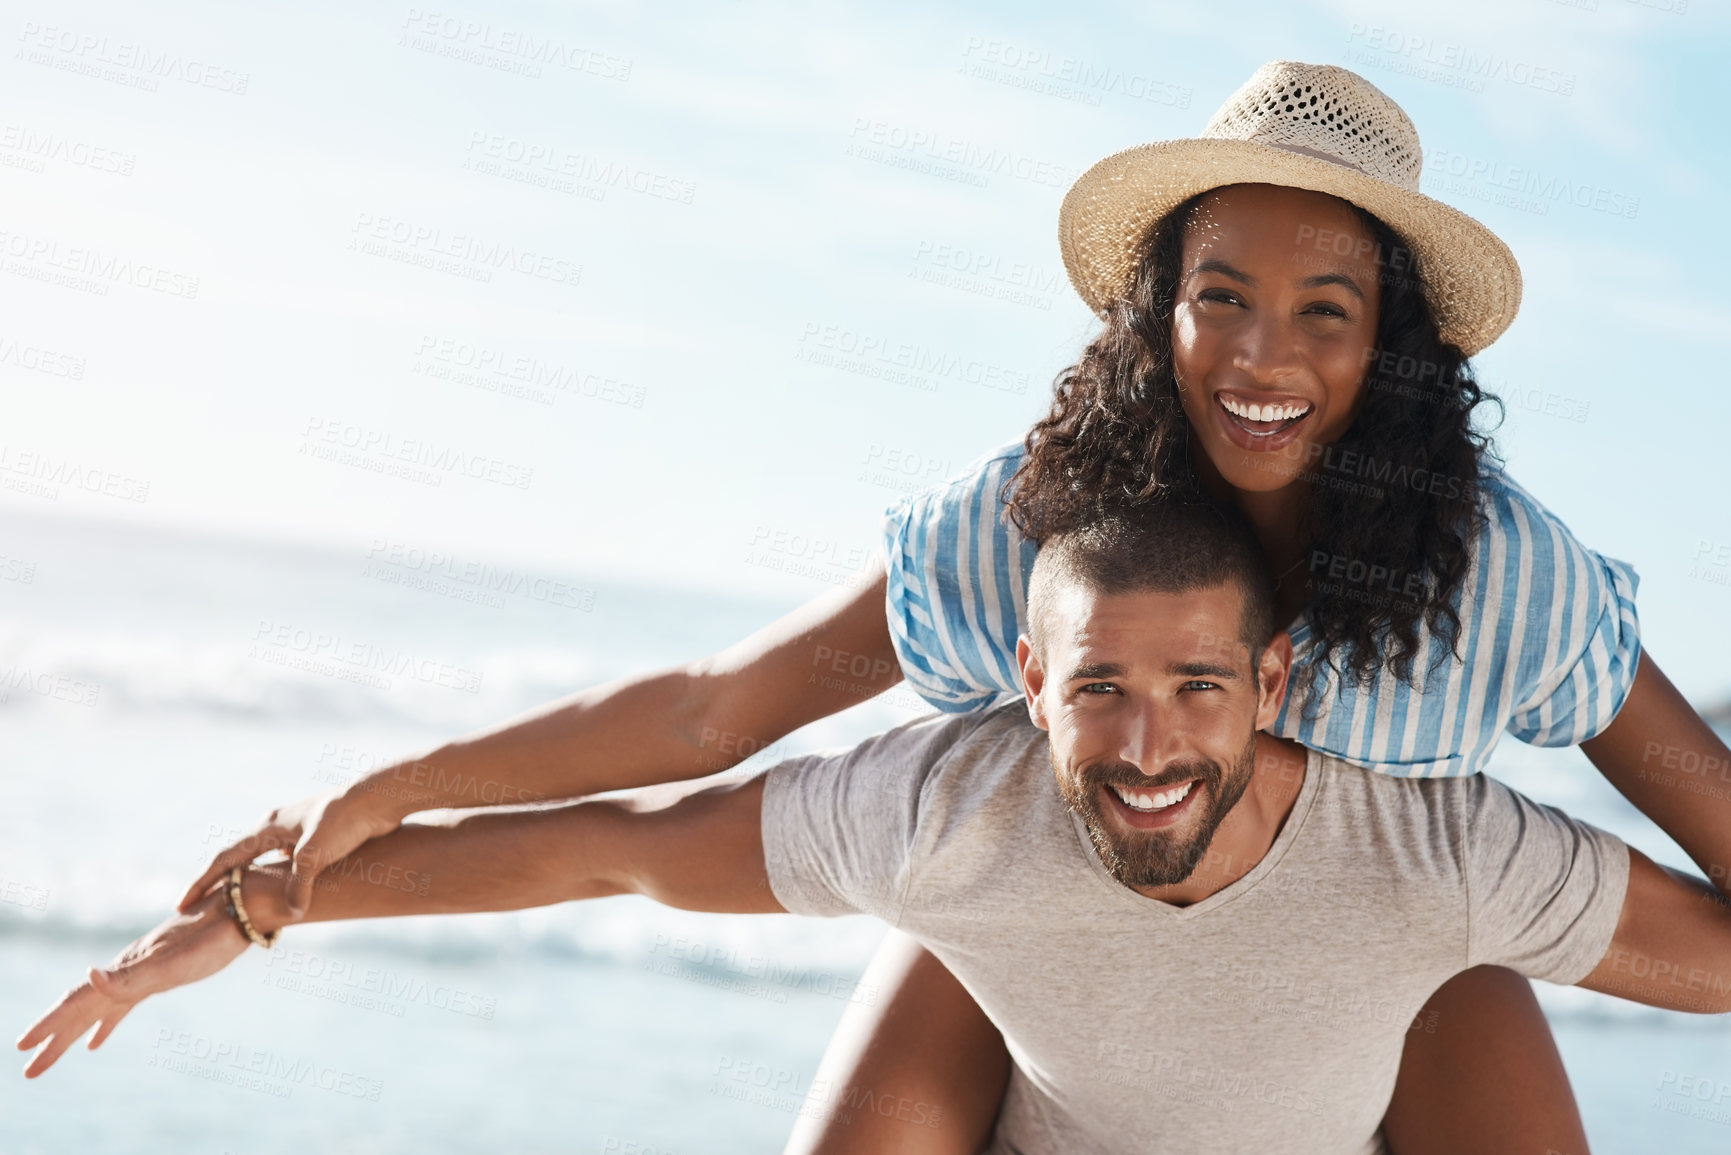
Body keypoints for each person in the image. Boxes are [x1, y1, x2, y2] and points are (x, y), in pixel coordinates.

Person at [61, 59, 1731, 1149]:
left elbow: (1710, 837)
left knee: (1451, 982)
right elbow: (711, 730)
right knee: (963, 905)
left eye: (1325, 311)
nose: (1263, 360)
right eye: (1219, 299)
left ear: (1394, 344)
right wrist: (383, 799)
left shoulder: (1497, 584)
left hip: (1378, 982)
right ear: (1159, 313)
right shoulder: (1030, 533)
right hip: (1056, 950)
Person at [19, 501, 1731, 1155]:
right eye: (1102, 693)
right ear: (1025, 684)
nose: (1149, 748)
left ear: (1274, 679)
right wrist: (261, 915)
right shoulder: (946, 807)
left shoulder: (1431, 855)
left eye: (1200, 688)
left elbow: (1719, 967)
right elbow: (616, 837)